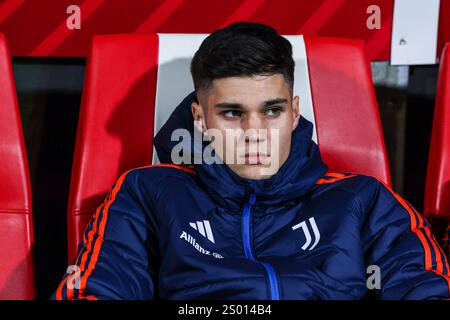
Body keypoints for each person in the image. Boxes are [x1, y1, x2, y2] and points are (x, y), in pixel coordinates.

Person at [53, 22, 450, 300]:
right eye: (232, 113)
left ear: (295, 113)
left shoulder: (362, 199)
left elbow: (421, 286)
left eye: (272, 111)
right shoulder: (149, 192)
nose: (254, 132)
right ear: (199, 118)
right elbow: (98, 287)